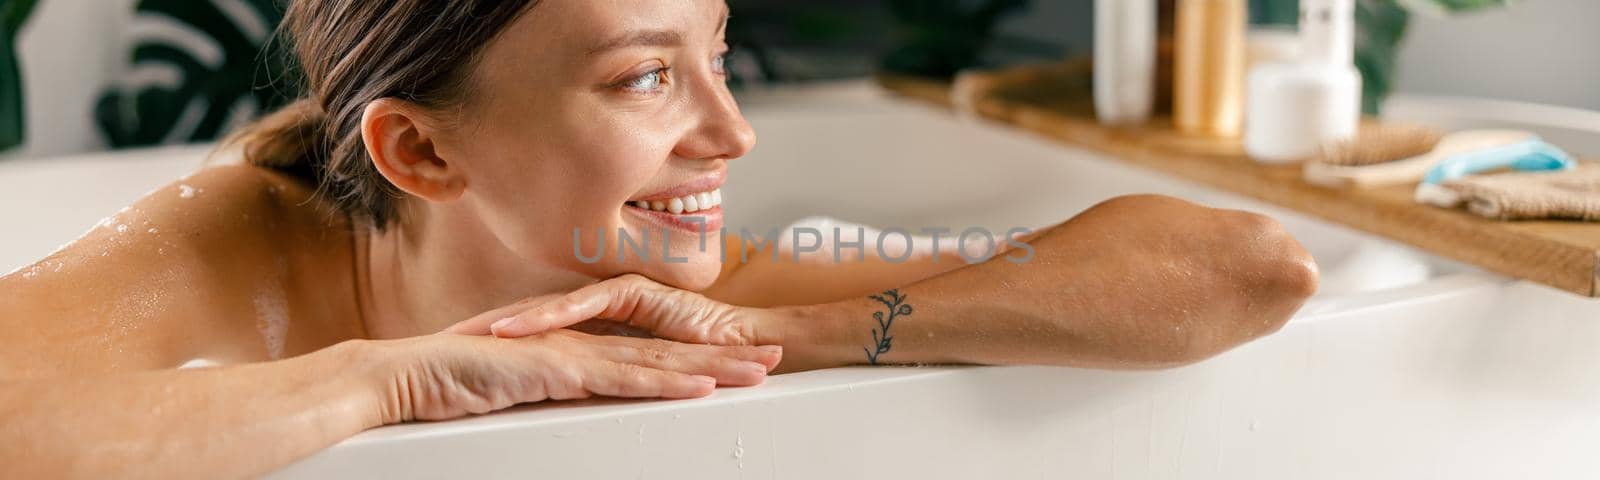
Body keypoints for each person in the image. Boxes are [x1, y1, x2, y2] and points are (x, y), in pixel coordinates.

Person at [0, 0, 1319, 477]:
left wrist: (785, 332)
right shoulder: (239, 247)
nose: (735, 134)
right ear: (422, 150)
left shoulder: (698, 284)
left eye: (719, 55)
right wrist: (387, 378)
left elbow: (1254, 267)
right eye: (645, 78)